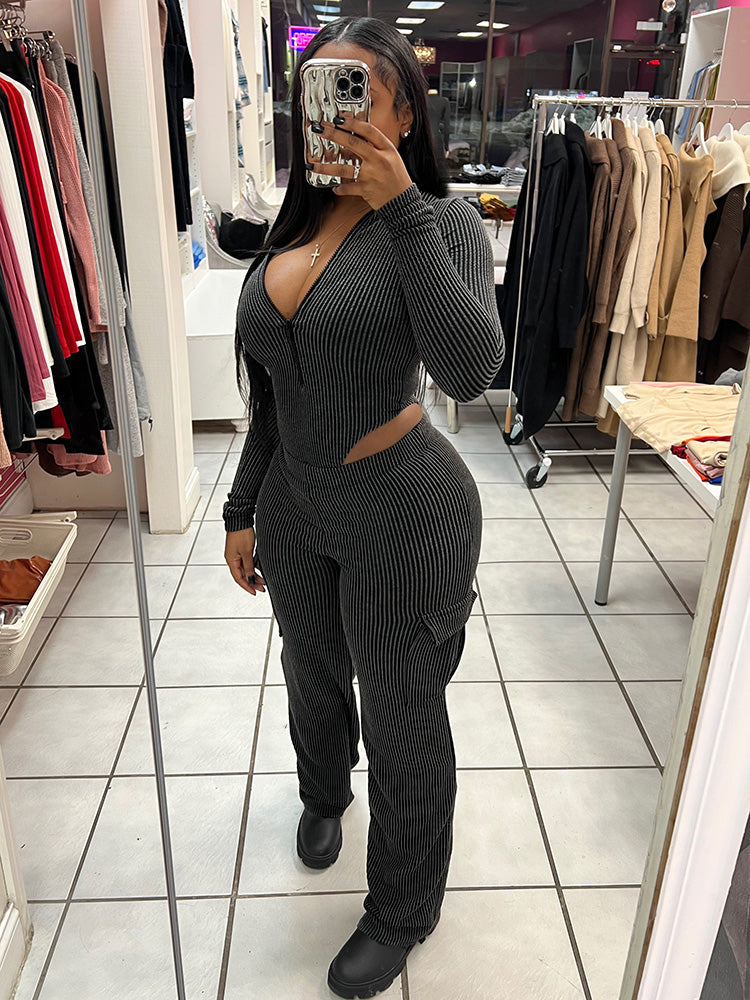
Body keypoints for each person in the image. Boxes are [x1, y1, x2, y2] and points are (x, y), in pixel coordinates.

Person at [223, 16, 503, 999]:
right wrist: (243, 505)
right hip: (296, 506)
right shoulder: (294, 224)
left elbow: (470, 370)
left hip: (405, 511)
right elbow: (274, 395)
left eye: (357, 93)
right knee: (310, 668)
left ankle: (402, 909)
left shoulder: (442, 223)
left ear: (403, 112)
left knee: (401, 711)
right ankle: (322, 791)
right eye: (319, 93)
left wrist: (403, 211)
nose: (334, 115)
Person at [426, 74, 451, 156]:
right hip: (436, 140)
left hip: (421, 139)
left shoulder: (420, 101)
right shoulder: (444, 101)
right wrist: (446, 147)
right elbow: (446, 127)